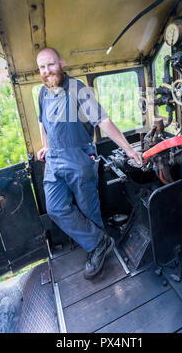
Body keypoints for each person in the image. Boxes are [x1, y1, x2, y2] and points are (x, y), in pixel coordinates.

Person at [36, 47, 141, 279]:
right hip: (54, 159)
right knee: (55, 208)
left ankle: (97, 252)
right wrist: (46, 145)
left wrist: (129, 149)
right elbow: (43, 123)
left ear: (61, 63)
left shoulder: (78, 90)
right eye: (42, 67)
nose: (47, 71)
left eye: (51, 65)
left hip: (78, 157)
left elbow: (103, 120)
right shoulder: (42, 94)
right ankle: (100, 242)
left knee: (88, 209)